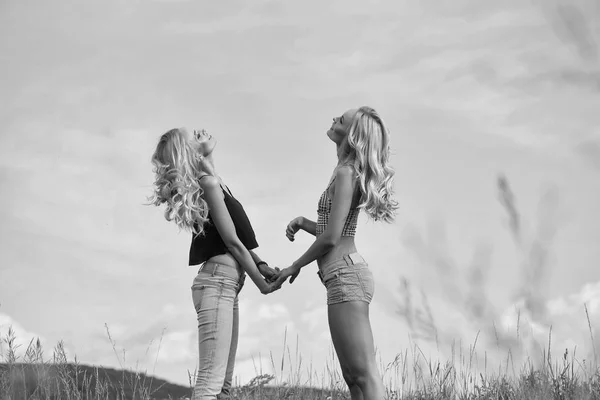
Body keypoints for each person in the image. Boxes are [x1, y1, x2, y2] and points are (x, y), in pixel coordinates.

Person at [149, 127, 284, 400]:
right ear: (187, 151)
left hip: (225, 285)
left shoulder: (213, 182)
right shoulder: (207, 185)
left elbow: (233, 240)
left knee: (222, 389)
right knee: (210, 387)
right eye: (192, 138)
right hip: (217, 285)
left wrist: (260, 265)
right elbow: (232, 242)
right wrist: (263, 286)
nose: (200, 134)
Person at [274, 107, 398, 400]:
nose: (333, 119)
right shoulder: (344, 171)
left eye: (341, 120)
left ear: (352, 134)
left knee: (364, 374)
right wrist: (305, 223)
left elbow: (331, 238)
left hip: (346, 274)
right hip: (341, 274)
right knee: (353, 378)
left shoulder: (345, 173)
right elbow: (336, 230)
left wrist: (295, 266)